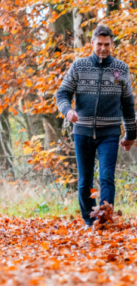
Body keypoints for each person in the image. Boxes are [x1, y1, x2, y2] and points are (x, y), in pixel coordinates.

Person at [56, 25, 136, 228]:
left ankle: (104, 219)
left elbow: (128, 104)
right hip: (82, 132)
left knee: (106, 177)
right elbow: (62, 93)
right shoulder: (79, 66)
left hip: (109, 133)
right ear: (92, 43)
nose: (102, 48)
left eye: (106, 44)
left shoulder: (121, 69)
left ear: (112, 44)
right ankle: (89, 221)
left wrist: (131, 134)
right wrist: (68, 111)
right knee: (85, 182)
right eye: (99, 44)